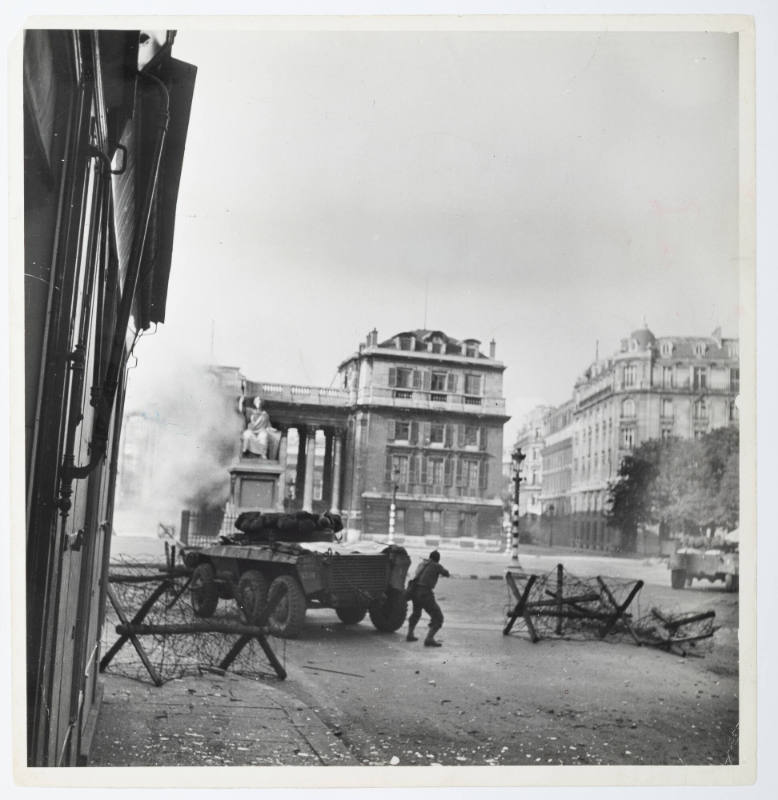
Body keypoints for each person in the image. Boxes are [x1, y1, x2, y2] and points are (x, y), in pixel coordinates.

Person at [406, 550, 450, 647]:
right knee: (438, 617)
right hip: (425, 593)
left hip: (415, 592)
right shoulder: (436, 565)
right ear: (438, 559)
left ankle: (410, 634)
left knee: (416, 613)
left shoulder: (423, 563)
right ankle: (429, 638)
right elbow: (446, 573)